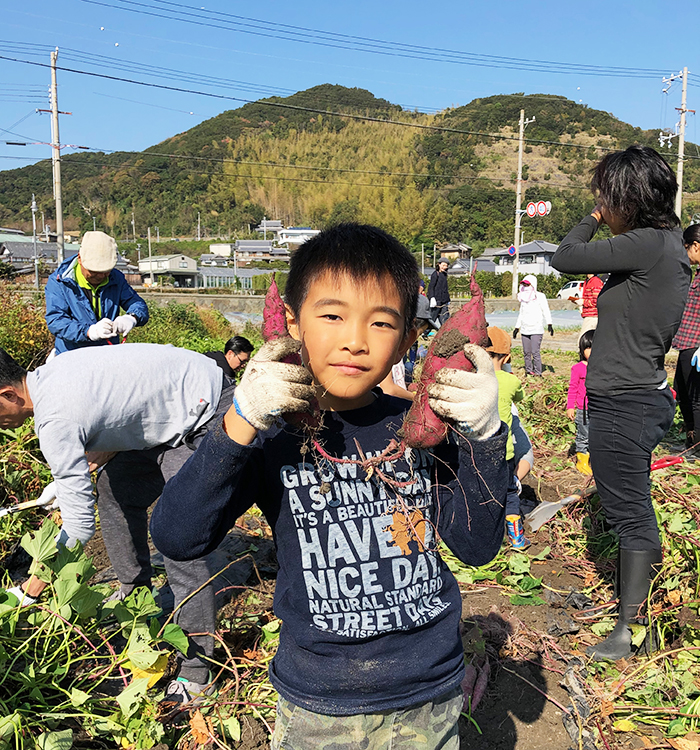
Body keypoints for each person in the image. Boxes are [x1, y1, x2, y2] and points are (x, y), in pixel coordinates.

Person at [151, 223, 509, 749]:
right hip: (318, 700)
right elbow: (177, 537)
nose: (355, 341)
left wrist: (486, 436)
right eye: (333, 315)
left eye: (381, 323)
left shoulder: (425, 427)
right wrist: (240, 421)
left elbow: (477, 548)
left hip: (429, 694)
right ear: (294, 323)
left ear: (409, 338)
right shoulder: (271, 432)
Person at [0, 343, 227, 702]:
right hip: (172, 403)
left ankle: (196, 673)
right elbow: (120, 405)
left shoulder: (53, 420)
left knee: (181, 535)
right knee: (115, 489)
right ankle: (136, 596)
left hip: (205, 408)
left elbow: (78, 528)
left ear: (8, 394)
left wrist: (31, 591)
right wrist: (69, 477)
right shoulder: (50, 374)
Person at [552, 145, 690, 661]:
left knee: (631, 514)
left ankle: (631, 630)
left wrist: (591, 217)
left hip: (623, 401)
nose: (599, 203)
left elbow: (564, 258)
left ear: (624, 198)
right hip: (637, 394)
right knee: (629, 507)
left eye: (605, 195)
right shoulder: (667, 245)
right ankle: (633, 611)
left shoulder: (646, 244)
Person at [45, 231, 149, 354]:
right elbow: (56, 320)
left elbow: (137, 304)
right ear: (80, 259)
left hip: (106, 356)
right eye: (94, 271)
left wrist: (132, 317)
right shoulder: (60, 281)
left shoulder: (116, 278)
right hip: (71, 356)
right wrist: (88, 332)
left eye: (106, 271)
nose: (100, 276)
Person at [483, 326, 526, 547]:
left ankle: (486, 536)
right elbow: (519, 396)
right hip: (504, 449)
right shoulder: (511, 381)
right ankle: (516, 538)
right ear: (507, 356)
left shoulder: (474, 380)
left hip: (477, 449)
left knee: (482, 490)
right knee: (509, 492)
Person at [672, 224, 700, 457]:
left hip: (696, 344)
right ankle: (690, 437)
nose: (685, 253)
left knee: (696, 397)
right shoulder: (696, 273)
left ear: (696, 246)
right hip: (687, 342)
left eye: (687, 248)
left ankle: (696, 447)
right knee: (681, 392)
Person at [512, 275, 554, 377]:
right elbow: (521, 313)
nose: (525, 286)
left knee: (535, 352)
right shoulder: (523, 297)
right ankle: (528, 370)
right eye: (524, 284)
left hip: (536, 329)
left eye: (527, 284)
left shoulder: (540, 296)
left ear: (533, 284)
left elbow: (546, 310)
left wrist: (549, 324)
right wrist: (517, 327)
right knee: (526, 352)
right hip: (525, 329)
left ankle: (538, 372)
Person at [566, 329, 595, 475]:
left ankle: (593, 459)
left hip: (597, 408)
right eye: (588, 348)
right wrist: (570, 406)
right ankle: (582, 461)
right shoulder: (578, 368)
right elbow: (573, 388)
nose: (591, 351)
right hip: (583, 409)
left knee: (595, 434)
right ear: (582, 350)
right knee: (583, 435)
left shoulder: (600, 368)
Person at [572, 274, 604, 339]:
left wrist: (583, 302)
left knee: (584, 341)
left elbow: (597, 300)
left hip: (593, 316)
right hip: (588, 315)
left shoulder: (595, 282)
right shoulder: (587, 281)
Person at [428, 257, 451, 325]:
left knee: (445, 317)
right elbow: (431, 287)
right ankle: (424, 333)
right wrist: (432, 297)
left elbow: (445, 288)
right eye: (443, 265)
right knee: (432, 317)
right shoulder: (435, 274)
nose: (444, 267)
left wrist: (447, 299)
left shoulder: (444, 275)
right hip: (436, 300)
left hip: (444, 301)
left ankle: (446, 333)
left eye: (446, 266)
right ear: (439, 264)